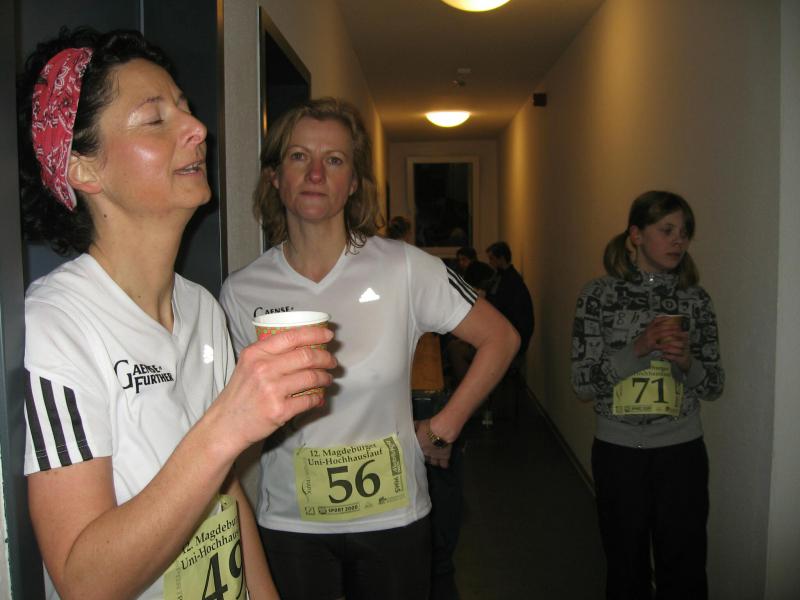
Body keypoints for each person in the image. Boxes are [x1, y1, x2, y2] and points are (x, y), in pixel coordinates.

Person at [19, 28, 335, 600]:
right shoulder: (57, 323)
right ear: (84, 170)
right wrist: (230, 424)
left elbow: (224, 493)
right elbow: (83, 580)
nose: (197, 129)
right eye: (154, 118)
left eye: (185, 109)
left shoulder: (201, 307)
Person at [219, 97, 519, 600]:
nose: (316, 173)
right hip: (293, 521)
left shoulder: (404, 267)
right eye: (299, 156)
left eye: (334, 160)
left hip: (393, 519)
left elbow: (501, 338)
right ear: (274, 176)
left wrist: (443, 427)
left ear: (354, 182)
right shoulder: (241, 290)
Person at [571, 190, 724, 599]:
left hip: (682, 452)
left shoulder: (696, 299)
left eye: (685, 232)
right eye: (667, 230)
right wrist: (636, 349)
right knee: (626, 568)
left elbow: (714, 385)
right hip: (619, 453)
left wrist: (688, 364)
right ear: (636, 235)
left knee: (685, 568)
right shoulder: (598, 296)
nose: (679, 240)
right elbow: (582, 384)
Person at [485, 241, 535, 357]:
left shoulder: (511, 281)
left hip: (512, 333)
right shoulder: (501, 276)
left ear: (501, 258)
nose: (490, 262)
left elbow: (503, 308)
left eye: (492, 258)